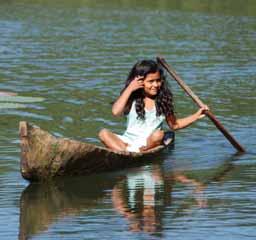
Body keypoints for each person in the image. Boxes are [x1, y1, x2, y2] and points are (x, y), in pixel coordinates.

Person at [99, 60, 208, 152]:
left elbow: (175, 125)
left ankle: (143, 151)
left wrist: (196, 115)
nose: (155, 85)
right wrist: (130, 88)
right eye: (151, 81)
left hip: (149, 144)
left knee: (159, 135)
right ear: (140, 82)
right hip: (127, 142)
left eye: (158, 81)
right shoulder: (132, 97)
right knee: (103, 133)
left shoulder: (163, 101)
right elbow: (115, 112)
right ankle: (125, 152)